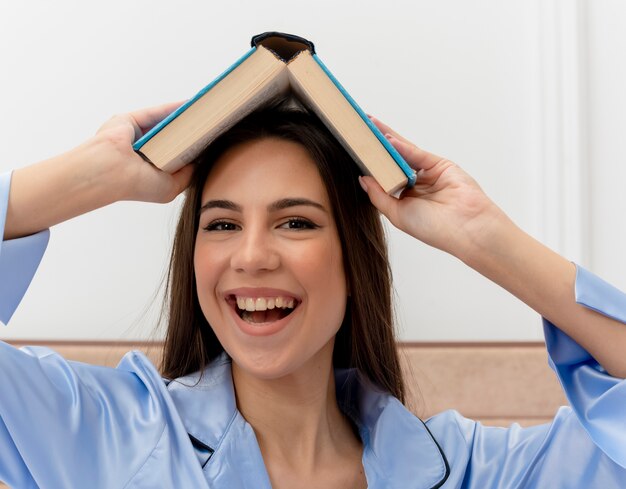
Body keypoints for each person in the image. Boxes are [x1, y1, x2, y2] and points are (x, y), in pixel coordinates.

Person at [1, 99, 625, 489]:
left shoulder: (472, 472)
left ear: (354, 258)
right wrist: (91, 174)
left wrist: (485, 239)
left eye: (295, 221)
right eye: (221, 224)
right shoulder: (96, 433)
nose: (251, 256)